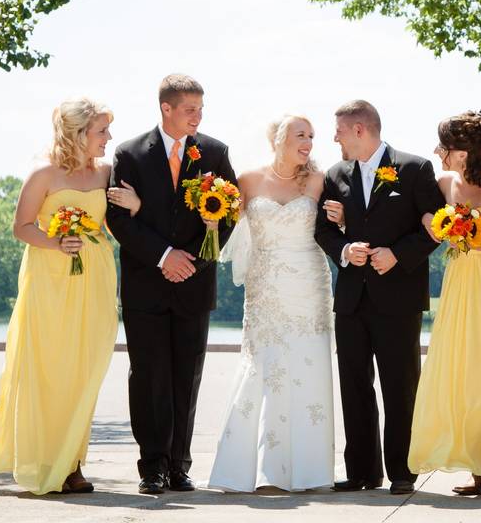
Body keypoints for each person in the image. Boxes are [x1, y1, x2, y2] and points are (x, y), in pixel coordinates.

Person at [0, 98, 120, 495]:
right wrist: (55, 242)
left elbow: (119, 221)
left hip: (95, 274)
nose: (109, 138)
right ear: (78, 134)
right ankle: (45, 460)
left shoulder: (106, 172)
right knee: (50, 367)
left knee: (85, 368)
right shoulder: (43, 172)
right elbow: (21, 227)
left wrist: (136, 205)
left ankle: (73, 462)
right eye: (101, 131)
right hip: (50, 278)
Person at [106, 74, 236, 495]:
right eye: (190, 109)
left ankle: (179, 466)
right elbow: (119, 219)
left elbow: (229, 214)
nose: (199, 116)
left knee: (186, 377)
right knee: (148, 377)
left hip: (194, 283)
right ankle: (152, 467)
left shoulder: (214, 152)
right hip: (146, 285)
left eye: (201, 108)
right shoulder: (128, 154)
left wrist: (192, 262)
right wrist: (164, 256)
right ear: (166, 108)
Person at [315, 100, 445, 496]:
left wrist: (399, 254)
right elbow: (323, 229)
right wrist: (344, 250)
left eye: (338, 130)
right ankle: (361, 472)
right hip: (352, 298)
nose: (333, 137)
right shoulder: (335, 174)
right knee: (354, 385)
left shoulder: (415, 168)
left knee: (400, 384)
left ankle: (403, 472)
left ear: (359, 130)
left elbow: (438, 226)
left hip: (398, 298)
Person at [206, 115, 336, 492]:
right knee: (263, 367)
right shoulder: (247, 180)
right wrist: (212, 223)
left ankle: (309, 470)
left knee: (307, 364)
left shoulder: (319, 181)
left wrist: (341, 219)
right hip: (264, 288)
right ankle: (260, 469)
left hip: (308, 283)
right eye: (301, 134)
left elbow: (334, 229)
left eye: (311, 136)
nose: (309, 141)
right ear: (278, 138)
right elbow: (223, 229)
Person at [408, 111, 481, 497]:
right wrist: (431, 222)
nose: (438, 152)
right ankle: (477, 464)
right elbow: (415, 208)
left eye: (445, 147)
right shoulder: (444, 182)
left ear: (464, 151)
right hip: (457, 286)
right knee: (461, 373)